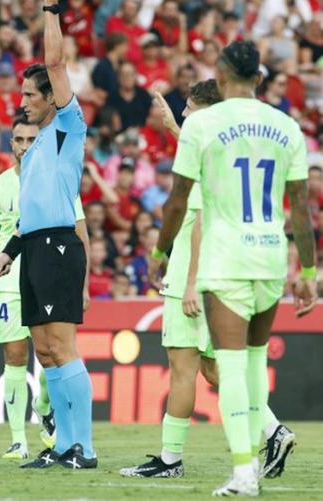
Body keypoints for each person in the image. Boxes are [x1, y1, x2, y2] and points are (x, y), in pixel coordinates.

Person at [148, 41, 316, 496]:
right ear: (259, 79)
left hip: (225, 258)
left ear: (221, 77)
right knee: (254, 362)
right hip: (270, 257)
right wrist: (308, 272)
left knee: (229, 366)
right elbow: (300, 206)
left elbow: (179, 199)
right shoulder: (287, 127)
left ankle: (244, 472)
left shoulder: (203, 125)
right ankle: (268, 440)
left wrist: (161, 255)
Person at [122, 79, 295, 480]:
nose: (183, 114)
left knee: (181, 366)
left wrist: (187, 284)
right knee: (213, 369)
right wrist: (173, 130)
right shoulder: (227, 151)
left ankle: (169, 460)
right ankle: (273, 431)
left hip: (192, 279)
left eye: (189, 108)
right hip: (221, 275)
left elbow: (199, 220)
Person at [0, 0, 95, 470]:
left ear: (52, 96)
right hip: (32, 247)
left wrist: (50, 6)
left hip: (57, 246)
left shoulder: (67, 127)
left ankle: (84, 448)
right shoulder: (33, 150)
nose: (25, 99)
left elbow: (56, 63)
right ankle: (61, 445)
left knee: (62, 346)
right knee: (46, 352)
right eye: (24, 93)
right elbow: (30, 210)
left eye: (32, 93)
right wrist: (8, 251)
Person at [0, 111, 90, 461]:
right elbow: (3, 237)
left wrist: (83, 285)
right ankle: (33, 442)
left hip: (53, 265)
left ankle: (70, 433)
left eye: (31, 140)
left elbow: (79, 230)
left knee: (56, 351)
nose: (25, 147)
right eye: (19, 140)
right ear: (11, 143)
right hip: (16, 275)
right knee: (26, 352)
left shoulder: (57, 174)